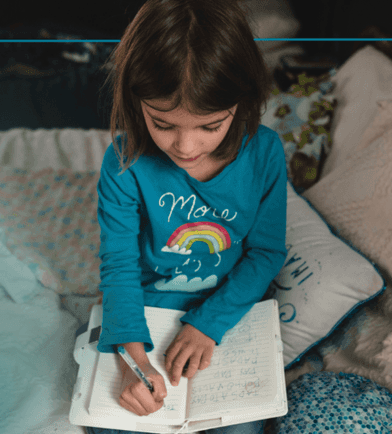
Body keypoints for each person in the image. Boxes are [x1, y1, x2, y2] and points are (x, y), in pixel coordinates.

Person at [88, 0, 287, 432]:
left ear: (242, 102)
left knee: (242, 427)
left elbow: (266, 252)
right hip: (145, 312)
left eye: (209, 126)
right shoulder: (123, 162)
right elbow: (119, 264)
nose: (185, 147)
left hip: (230, 313)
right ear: (134, 100)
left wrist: (208, 325)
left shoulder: (265, 153)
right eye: (163, 124)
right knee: (114, 419)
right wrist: (131, 357)